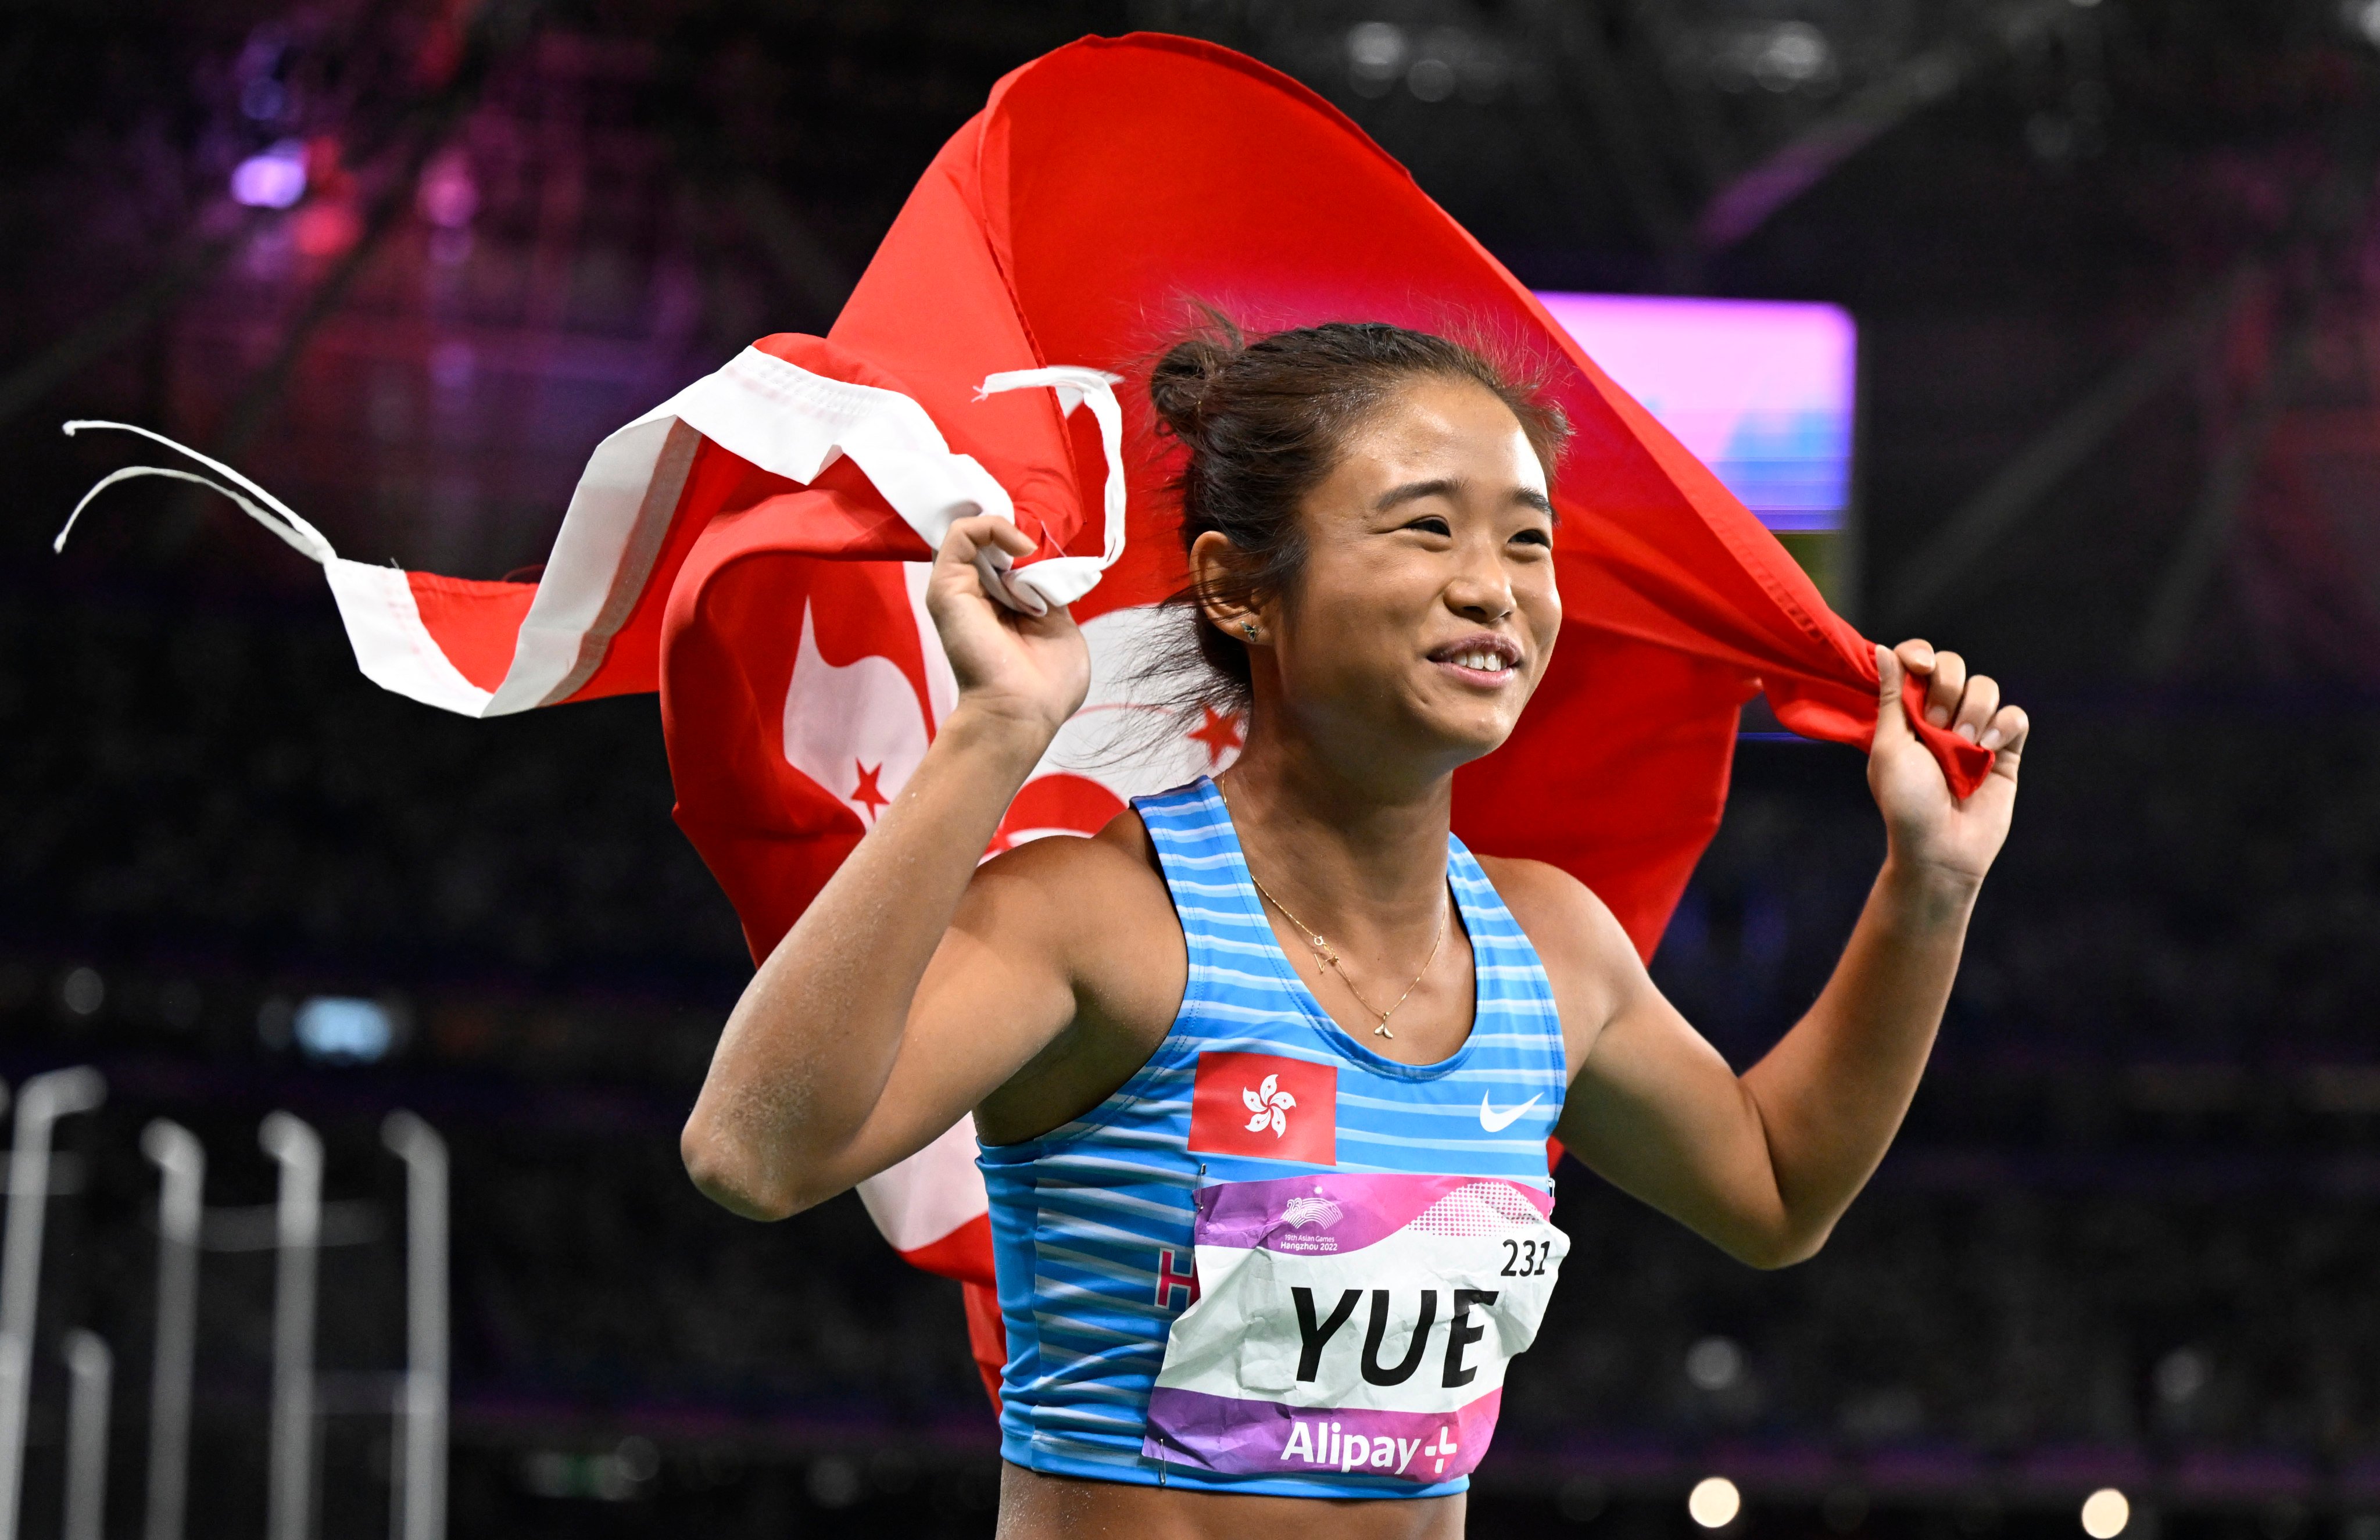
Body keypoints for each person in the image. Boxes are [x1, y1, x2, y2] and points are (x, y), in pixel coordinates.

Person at [680, 318, 2027, 1539]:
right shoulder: (1099, 918)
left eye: (1526, 538)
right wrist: (995, 730)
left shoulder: (1547, 948)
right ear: (1236, 587)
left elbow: (1776, 1190)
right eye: (1425, 527)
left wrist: (1929, 882)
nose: (1494, 585)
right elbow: (752, 1152)